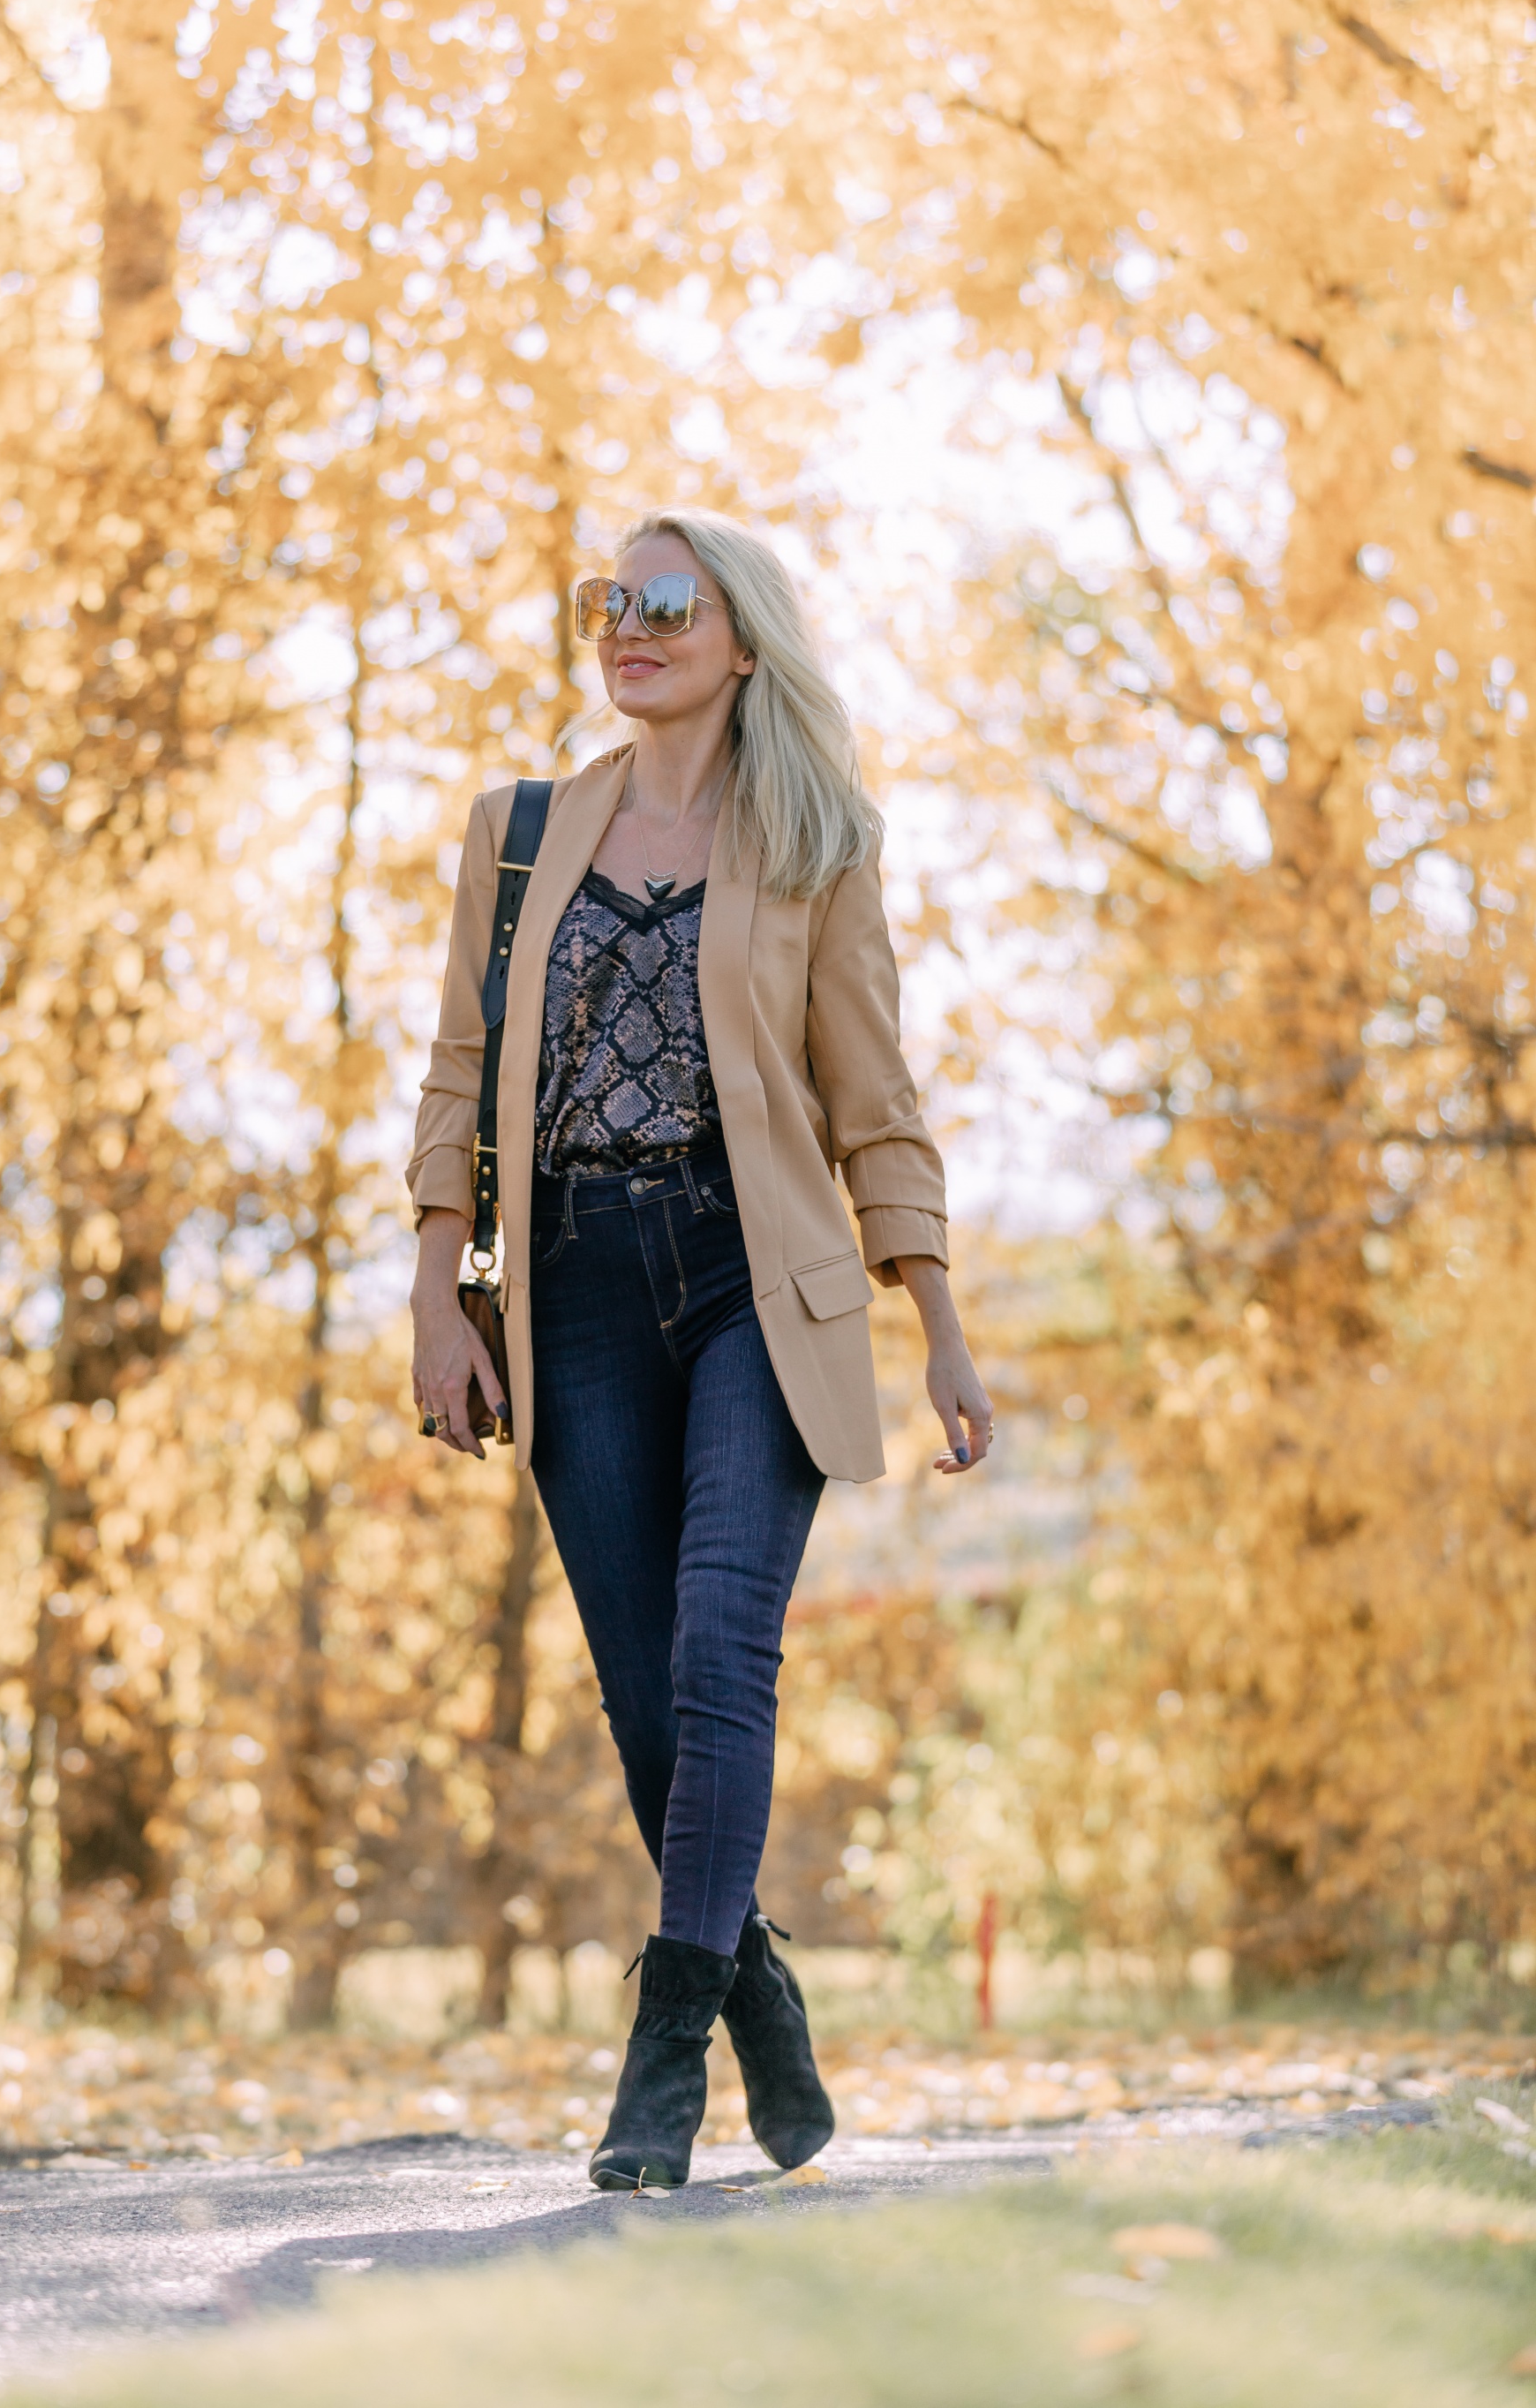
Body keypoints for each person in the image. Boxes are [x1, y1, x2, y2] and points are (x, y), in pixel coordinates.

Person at [408, 508, 992, 2191]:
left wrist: (939, 1326)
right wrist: (441, 1291)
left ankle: (659, 2061)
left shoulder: (816, 842)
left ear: (745, 640)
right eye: (613, 602)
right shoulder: (517, 835)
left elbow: (876, 1103)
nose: (630, 626)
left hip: (761, 1276)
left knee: (726, 1650)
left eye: (669, 603)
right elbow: (458, 1077)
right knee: (649, 1694)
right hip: (573, 1283)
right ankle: (757, 1992)